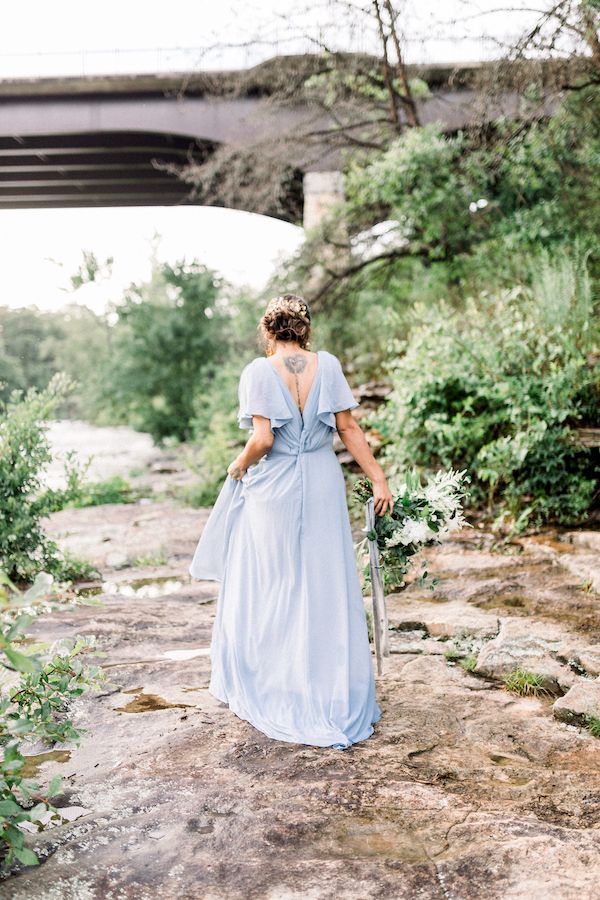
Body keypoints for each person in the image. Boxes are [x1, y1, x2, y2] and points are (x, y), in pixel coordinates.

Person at [189, 294, 394, 749]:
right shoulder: (330, 365)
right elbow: (348, 429)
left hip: (275, 487)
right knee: (323, 580)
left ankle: (279, 684)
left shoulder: (259, 372)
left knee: (272, 580)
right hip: (321, 479)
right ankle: (329, 687)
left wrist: (238, 466)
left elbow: (262, 439)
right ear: (305, 328)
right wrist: (378, 479)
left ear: (268, 330)